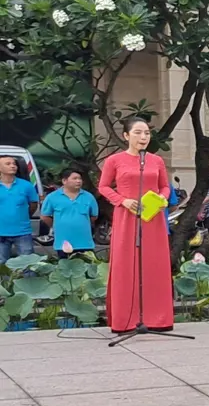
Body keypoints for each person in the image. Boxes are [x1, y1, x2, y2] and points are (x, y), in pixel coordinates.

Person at [98, 117, 173, 333]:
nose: (143, 137)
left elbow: (165, 187)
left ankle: (157, 319)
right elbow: (103, 187)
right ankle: (126, 319)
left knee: (154, 264)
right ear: (126, 136)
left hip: (153, 216)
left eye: (147, 133)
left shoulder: (156, 160)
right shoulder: (115, 160)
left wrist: (162, 199)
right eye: (138, 133)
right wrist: (122, 200)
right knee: (126, 264)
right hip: (126, 215)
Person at [40, 169, 98, 258]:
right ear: (64, 181)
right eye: (74, 178)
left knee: (86, 268)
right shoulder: (52, 197)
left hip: (85, 242)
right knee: (66, 268)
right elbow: (45, 216)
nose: (78, 181)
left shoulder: (88, 197)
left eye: (80, 179)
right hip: (63, 242)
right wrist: (56, 225)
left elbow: (94, 216)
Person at [0, 154, 37, 260]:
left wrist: (22, 216)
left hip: (22, 232)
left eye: (14, 164)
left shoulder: (26, 186)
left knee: (28, 265)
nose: (13, 166)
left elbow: (33, 205)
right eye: (8, 164)